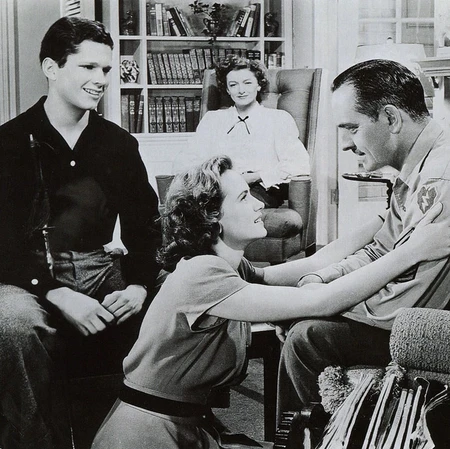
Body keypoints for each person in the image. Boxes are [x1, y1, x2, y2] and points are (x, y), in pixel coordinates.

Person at [91, 154, 450, 449]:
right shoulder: (201, 273)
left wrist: (391, 218)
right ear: (212, 216)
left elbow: (314, 263)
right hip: (145, 433)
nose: (260, 204)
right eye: (243, 198)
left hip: (186, 424)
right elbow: (323, 301)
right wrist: (412, 251)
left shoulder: (229, 266)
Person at [0, 16, 161, 449]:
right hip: (24, 276)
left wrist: (140, 286)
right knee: (12, 325)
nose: (101, 79)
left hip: (100, 265)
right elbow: (4, 246)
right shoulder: (9, 143)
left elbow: (147, 227)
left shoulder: (118, 144)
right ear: (51, 68)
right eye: (88, 67)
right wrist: (55, 292)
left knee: (177, 301)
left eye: (105, 69)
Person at [277, 59, 450, 418]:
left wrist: (321, 302)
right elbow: (380, 249)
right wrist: (322, 279)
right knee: (306, 327)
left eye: (351, 128)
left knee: (308, 337)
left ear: (391, 118)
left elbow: (407, 303)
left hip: (431, 321)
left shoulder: (440, 179)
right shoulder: (418, 165)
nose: (345, 144)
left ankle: (323, 438)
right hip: (418, 310)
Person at [178, 54, 310, 208]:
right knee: (192, 205)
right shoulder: (212, 119)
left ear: (259, 85)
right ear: (227, 89)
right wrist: (215, 176)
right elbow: (185, 160)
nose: (241, 90)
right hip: (216, 186)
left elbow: (299, 164)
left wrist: (255, 177)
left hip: (261, 189)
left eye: (247, 83)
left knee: (228, 205)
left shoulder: (278, 119)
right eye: (233, 85)